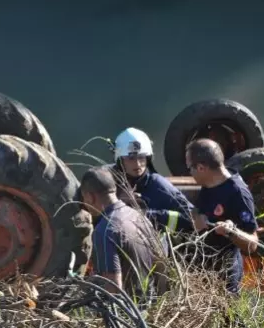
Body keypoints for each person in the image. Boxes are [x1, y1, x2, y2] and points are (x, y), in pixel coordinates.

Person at [185, 138, 259, 294]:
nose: (189, 173)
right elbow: (199, 210)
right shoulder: (209, 184)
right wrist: (197, 216)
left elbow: (253, 244)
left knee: (229, 318)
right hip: (203, 267)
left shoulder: (238, 194)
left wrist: (231, 232)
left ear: (201, 168)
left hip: (225, 274)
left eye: (189, 168)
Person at [80, 166, 163, 302]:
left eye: (84, 198)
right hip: (151, 307)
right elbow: (160, 264)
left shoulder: (105, 230)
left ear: (90, 196)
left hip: (128, 315)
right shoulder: (138, 216)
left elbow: (113, 288)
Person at [110, 127, 195, 251]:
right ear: (120, 160)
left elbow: (191, 218)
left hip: (155, 257)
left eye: (141, 157)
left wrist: (143, 214)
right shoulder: (109, 182)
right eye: (131, 158)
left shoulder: (158, 185)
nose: (138, 164)